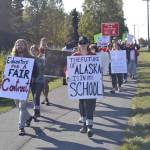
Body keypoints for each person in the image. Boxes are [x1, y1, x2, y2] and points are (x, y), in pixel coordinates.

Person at [68, 36, 96, 138]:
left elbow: (98, 69)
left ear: (88, 44)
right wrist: (67, 75)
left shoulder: (93, 55)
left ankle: (90, 127)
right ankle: (84, 125)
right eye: (81, 42)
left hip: (91, 85)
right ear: (78, 44)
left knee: (90, 105)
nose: (83, 44)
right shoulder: (74, 56)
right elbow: (68, 69)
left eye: (85, 42)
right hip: (79, 86)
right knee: (82, 104)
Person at [11, 39, 38, 136]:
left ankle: (21, 127)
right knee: (17, 104)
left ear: (25, 46)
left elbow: (36, 72)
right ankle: (29, 118)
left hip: (25, 86)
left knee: (22, 106)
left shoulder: (31, 58)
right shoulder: (12, 58)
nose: (19, 46)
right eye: (17, 44)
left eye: (21, 44)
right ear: (15, 46)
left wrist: (31, 78)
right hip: (14, 86)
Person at [30, 45, 44, 118]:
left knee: (36, 95)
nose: (33, 51)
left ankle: (36, 111)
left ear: (37, 51)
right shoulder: (29, 60)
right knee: (34, 96)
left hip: (40, 80)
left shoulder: (41, 59)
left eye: (34, 50)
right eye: (32, 50)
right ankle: (37, 111)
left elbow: (44, 69)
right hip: (32, 80)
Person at [39, 37, 50, 105]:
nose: (44, 43)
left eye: (45, 41)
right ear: (41, 42)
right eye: (43, 41)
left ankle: (46, 98)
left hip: (46, 68)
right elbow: (36, 56)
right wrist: (39, 55)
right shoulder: (39, 49)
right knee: (42, 84)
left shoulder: (48, 49)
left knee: (46, 84)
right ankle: (45, 98)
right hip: (40, 68)